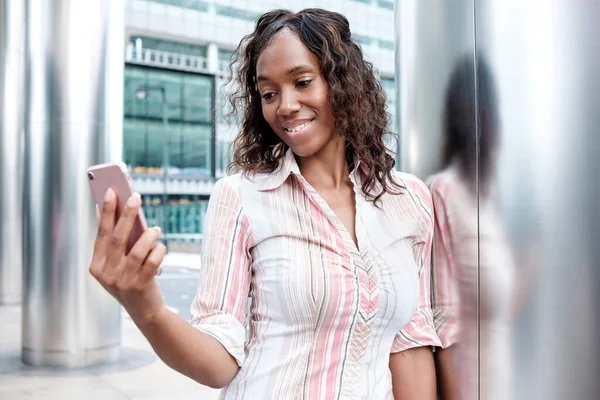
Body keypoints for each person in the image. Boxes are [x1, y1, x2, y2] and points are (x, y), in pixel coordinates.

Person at [89, 8, 441, 399]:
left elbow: (410, 340)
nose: (285, 106)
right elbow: (219, 362)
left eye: (302, 82)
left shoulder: (407, 199)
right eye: (269, 93)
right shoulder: (240, 197)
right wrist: (147, 309)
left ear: (345, 84)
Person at [427, 56, 520, 400]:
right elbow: (441, 322)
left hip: (502, 381)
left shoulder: (489, 195)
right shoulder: (443, 191)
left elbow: (499, 305)